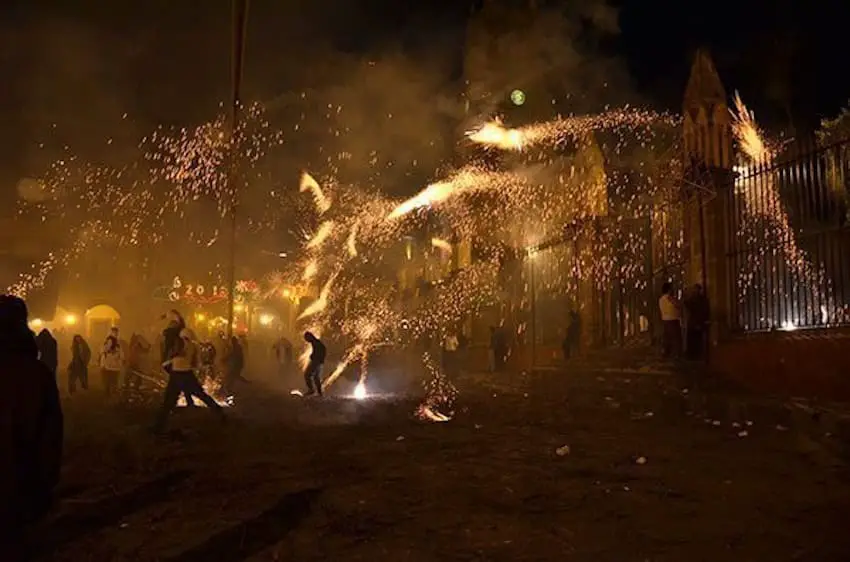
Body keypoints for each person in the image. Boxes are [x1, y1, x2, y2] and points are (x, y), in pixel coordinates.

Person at [0, 295, 63, 559]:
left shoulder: (35, 375)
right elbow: (50, 440)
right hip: (20, 493)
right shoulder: (37, 375)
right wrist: (43, 489)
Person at [152, 328, 226, 434]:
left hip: (178, 375)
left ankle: (158, 426)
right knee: (201, 395)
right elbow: (193, 362)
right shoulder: (192, 346)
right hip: (187, 374)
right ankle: (219, 412)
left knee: (168, 402)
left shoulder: (183, 344)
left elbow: (175, 355)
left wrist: (168, 365)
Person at [161, 310, 195, 407]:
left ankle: (171, 403)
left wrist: (166, 315)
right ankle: (184, 401)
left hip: (171, 363)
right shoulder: (176, 334)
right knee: (180, 382)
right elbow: (179, 318)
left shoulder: (168, 335)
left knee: (177, 382)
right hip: (176, 363)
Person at [685, 283, 710, 360]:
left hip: (696, 321)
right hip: (696, 322)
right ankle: (694, 354)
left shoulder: (697, 299)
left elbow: (689, 306)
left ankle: (695, 354)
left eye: (695, 289)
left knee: (695, 338)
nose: (694, 291)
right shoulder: (698, 299)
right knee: (694, 338)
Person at [659, 282, 682, 358]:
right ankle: (676, 354)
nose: (673, 289)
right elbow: (678, 305)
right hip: (672, 320)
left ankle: (665, 353)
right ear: (669, 289)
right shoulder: (669, 298)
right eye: (671, 288)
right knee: (676, 338)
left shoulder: (661, 299)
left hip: (665, 320)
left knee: (667, 338)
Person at [100, 327, 124, 397]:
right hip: (108, 363)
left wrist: (122, 358)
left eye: (116, 332)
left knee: (114, 378)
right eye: (114, 332)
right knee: (108, 378)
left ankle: (113, 391)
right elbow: (103, 350)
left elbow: (121, 351)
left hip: (115, 364)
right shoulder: (108, 341)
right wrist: (110, 351)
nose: (115, 333)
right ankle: (108, 391)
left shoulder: (118, 342)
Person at [303, 331, 326, 396]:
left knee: (307, 374)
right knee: (316, 377)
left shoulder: (316, 343)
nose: (306, 340)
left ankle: (311, 390)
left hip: (316, 362)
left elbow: (322, 350)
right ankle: (319, 392)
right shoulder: (316, 342)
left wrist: (313, 356)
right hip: (319, 362)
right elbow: (323, 350)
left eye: (306, 338)